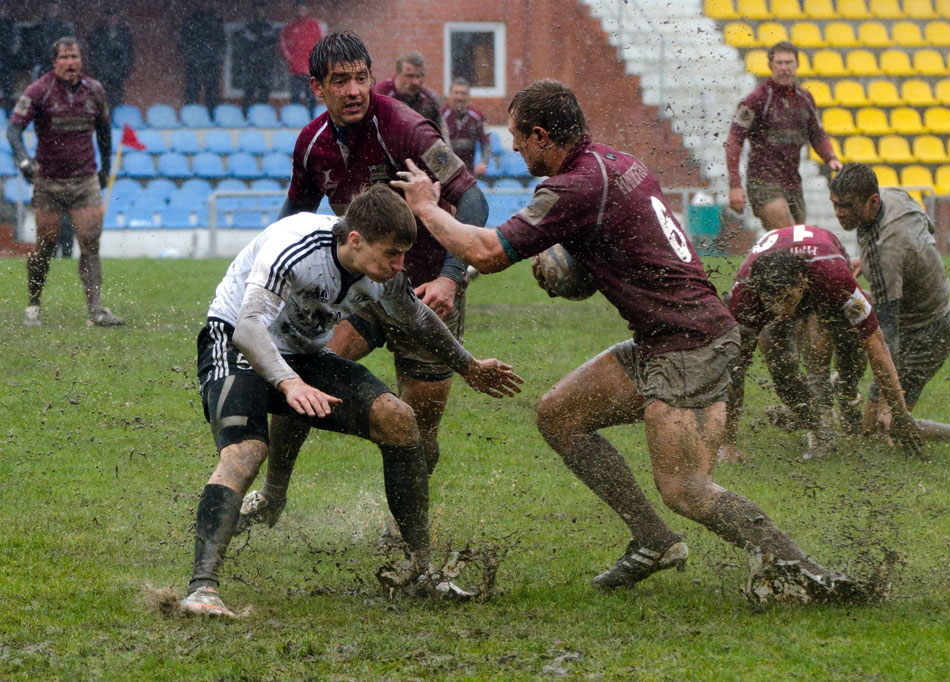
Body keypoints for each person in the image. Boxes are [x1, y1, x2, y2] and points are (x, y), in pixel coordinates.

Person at [391, 79, 864, 605]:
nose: (515, 147)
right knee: (559, 414)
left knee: (685, 488)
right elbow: (631, 246)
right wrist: (581, 268)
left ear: (543, 135)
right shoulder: (617, 162)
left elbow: (484, 252)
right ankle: (653, 540)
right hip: (669, 335)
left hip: (690, 343)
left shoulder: (573, 188)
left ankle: (811, 572)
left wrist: (427, 207)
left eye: (520, 137)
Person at [179, 184, 522, 617]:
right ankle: (202, 589)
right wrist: (289, 384)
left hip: (302, 354)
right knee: (246, 451)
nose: (399, 267)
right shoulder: (296, 247)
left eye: (403, 256)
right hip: (234, 344)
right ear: (355, 240)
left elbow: (415, 316)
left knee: (398, 418)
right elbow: (249, 329)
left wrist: (468, 365)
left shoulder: (382, 271)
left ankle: (421, 569)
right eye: (391, 255)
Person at [235, 33, 490, 542]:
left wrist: (449, 277)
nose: (353, 90)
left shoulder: (408, 130)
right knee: (303, 372)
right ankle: (275, 493)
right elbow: (296, 216)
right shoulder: (311, 142)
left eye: (360, 78)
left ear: (372, 78)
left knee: (416, 424)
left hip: (427, 292)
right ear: (317, 87)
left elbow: (475, 202)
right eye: (339, 81)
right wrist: (267, 269)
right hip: (357, 290)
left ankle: (404, 530)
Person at [829, 162, 950, 443]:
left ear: (872, 201)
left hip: (925, 337)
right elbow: (926, 231)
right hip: (929, 311)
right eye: (835, 204)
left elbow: (887, 337)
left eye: (846, 206)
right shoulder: (894, 196)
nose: (839, 213)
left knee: (879, 431)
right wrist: (874, 264)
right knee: (843, 309)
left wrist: (883, 396)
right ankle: (845, 392)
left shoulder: (884, 249)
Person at [723, 224, 924, 462]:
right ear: (760, 295)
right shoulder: (746, 296)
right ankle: (817, 425)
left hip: (824, 264)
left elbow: (876, 343)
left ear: (801, 281)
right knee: (781, 368)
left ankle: (847, 392)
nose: (781, 310)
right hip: (776, 279)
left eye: (786, 298)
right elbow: (735, 369)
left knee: (850, 346)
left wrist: (900, 412)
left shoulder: (832, 276)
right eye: (772, 302)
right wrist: (728, 443)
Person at [8, 37, 122, 327]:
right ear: (54, 62)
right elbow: (13, 131)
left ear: (81, 60)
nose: (71, 62)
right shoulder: (39, 91)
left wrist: (105, 169)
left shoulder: (94, 91)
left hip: (85, 180)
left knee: (90, 243)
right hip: (49, 181)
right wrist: (23, 160)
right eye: (65, 58)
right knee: (45, 245)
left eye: (75, 57)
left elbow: (105, 134)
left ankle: (96, 312)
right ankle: (33, 305)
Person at [725, 41, 842, 231]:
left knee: (799, 243)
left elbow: (818, 134)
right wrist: (735, 186)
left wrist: (831, 158)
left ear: (797, 65)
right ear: (770, 66)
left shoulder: (805, 99)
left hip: (793, 182)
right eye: (779, 63)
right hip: (763, 181)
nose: (784, 68)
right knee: (789, 238)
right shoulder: (756, 99)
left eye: (788, 62)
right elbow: (734, 140)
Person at [372, 51, 444, 131]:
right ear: (397, 73)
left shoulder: (429, 98)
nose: (416, 82)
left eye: (420, 76)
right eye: (409, 76)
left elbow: (440, 132)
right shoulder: (380, 93)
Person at [234, 1, 279, 112]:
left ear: (265, 11)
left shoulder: (270, 26)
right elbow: (245, 40)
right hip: (251, 65)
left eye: (262, 9)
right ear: (254, 10)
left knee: (264, 91)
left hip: (266, 65)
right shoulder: (248, 26)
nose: (260, 11)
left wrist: (258, 39)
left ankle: (261, 115)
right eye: (257, 9)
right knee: (249, 91)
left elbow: (272, 40)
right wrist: (259, 40)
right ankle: (246, 116)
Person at [86, 7, 134, 111]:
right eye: (110, 17)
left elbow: (129, 54)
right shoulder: (98, 33)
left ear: (118, 18)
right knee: (101, 100)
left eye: (114, 17)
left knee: (117, 101)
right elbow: (93, 54)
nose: (112, 19)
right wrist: (99, 70)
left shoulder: (124, 33)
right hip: (102, 74)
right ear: (106, 18)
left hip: (118, 74)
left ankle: (115, 124)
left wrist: (123, 71)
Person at [442, 78, 491, 178]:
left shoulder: (478, 117)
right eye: (456, 93)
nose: (459, 97)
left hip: (468, 175)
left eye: (463, 93)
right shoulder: (441, 117)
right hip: (445, 174)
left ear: (468, 96)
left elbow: (486, 144)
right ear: (449, 95)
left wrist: (483, 163)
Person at [178, 6, 224, 111]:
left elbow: (222, 43)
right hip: (195, 62)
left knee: (211, 91)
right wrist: (191, 56)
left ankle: (212, 116)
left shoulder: (215, 23)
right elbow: (182, 43)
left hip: (210, 62)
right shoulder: (191, 23)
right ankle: (192, 115)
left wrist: (217, 58)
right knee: (193, 90)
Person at [279, 0, 322, 107]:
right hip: (295, 71)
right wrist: (291, 60)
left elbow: (321, 45)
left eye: (303, 8)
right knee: (295, 98)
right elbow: (283, 45)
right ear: (295, 10)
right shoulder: (289, 26)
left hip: (310, 71)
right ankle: (296, 121)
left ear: (308, 10)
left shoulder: (314, 25)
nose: (300, 11)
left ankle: (312, 122)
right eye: (298, 9)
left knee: (311, 98)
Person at [26, 2, 72, 79]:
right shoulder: (39, 28)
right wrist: (37, 63)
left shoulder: (64, 28)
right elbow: (34, 46)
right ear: (47, 9)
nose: (53, 11)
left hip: (59, 64)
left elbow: (68, 46)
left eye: (55, 9)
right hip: (43, 65)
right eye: (51, 8)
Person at [0, 0, 23, 112]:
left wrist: (8, 53)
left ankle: (9, 115)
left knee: (8, 90)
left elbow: (15, 43)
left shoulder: (10, 24)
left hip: (6, 62)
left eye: (2, 7)